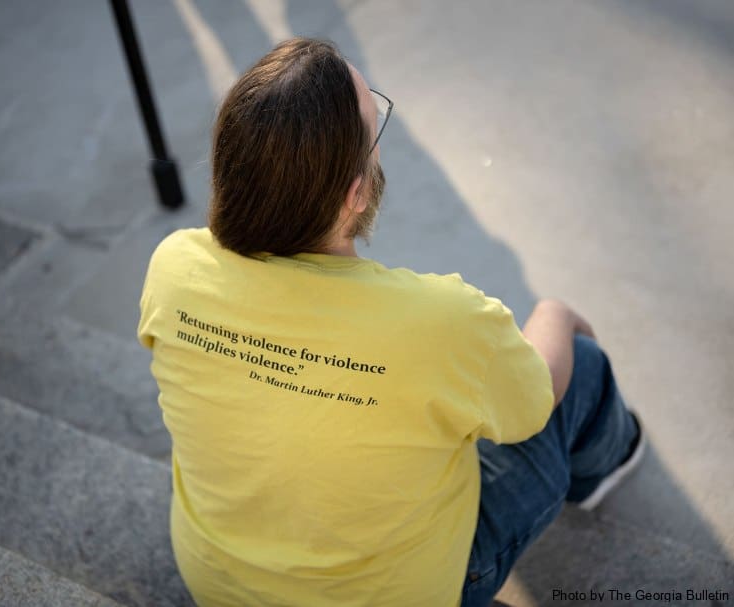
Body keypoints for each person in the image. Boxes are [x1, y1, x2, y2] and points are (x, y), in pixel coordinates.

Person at [137, 37, 645, 607]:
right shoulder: (441, 322)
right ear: (355, 194)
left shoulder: (173, 267)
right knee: (582, 368)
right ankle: (604, 467)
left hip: (219, 585)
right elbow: (534, 404)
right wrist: (555, 311)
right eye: (374, 128)